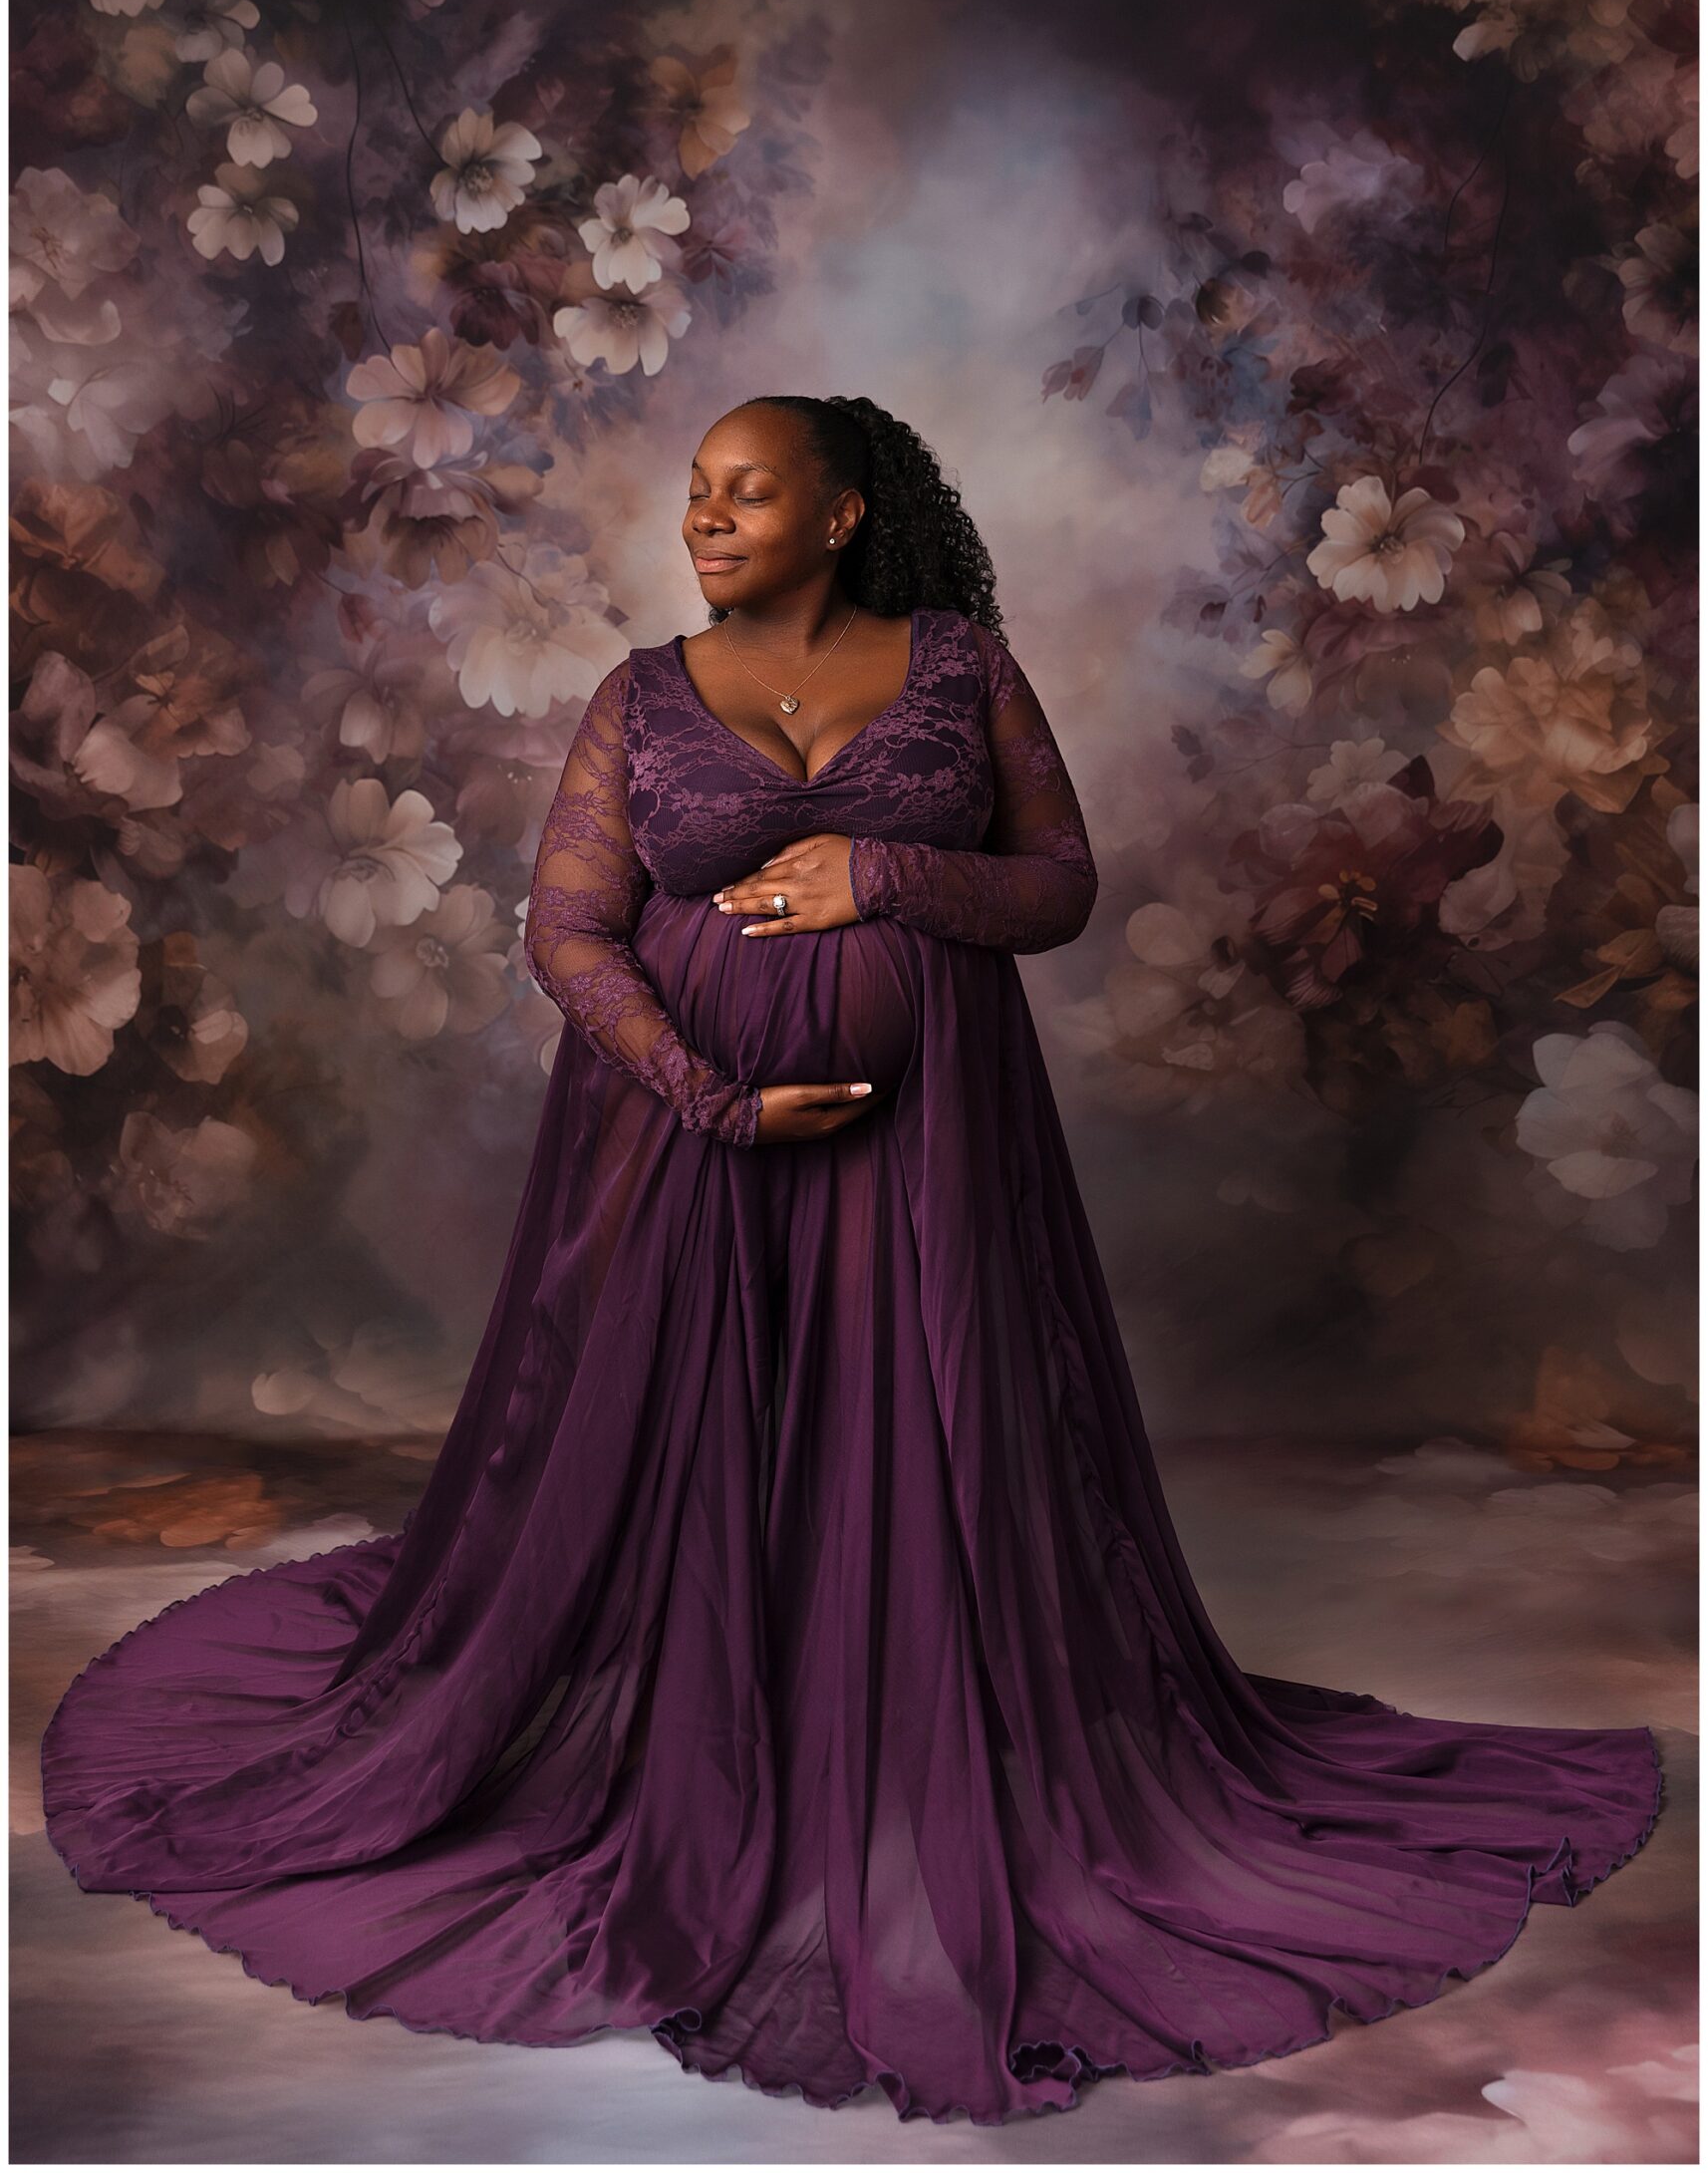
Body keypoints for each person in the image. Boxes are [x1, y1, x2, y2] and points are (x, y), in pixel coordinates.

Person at [41, 395, 1663, 2128]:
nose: (708, 519)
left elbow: (1057, 885)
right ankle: (712, 1752)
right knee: (702, 1441)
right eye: (694, 496)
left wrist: (881, 874)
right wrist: (706, 1095)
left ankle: (903, 1758)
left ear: (842, 512)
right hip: (685, 1150)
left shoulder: (960, 670)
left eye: (748, 492)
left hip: (940, 1159)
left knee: (926, 1430)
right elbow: (566, 929)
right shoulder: (640, 699)